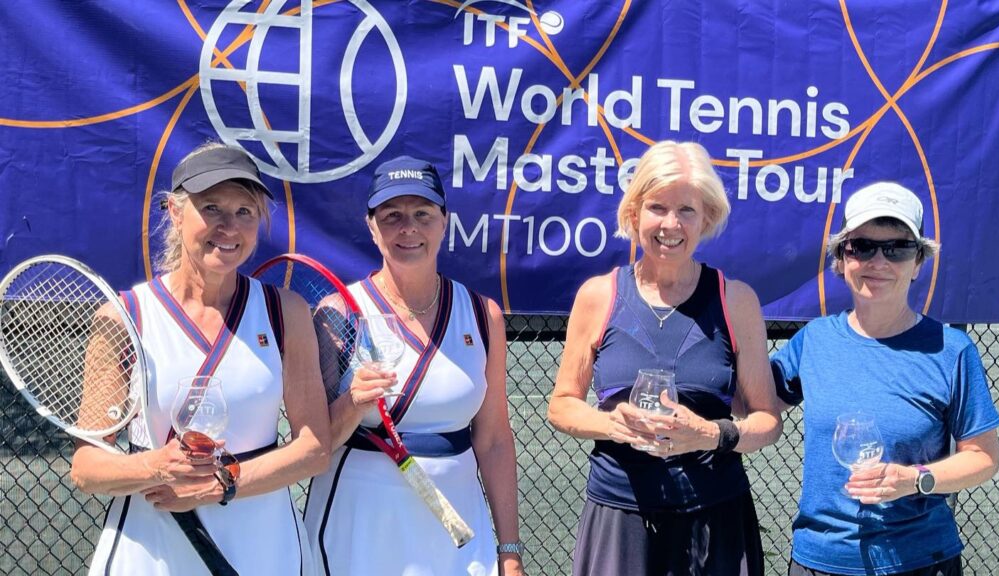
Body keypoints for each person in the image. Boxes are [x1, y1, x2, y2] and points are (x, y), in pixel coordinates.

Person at [70, 142, 331, 575]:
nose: (229, 227)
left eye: (244, 212)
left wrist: (220, 485)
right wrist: (155, 466)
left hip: (263, 548)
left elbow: (314, 449)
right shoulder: (123, 316)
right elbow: (86, 467)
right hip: (151, 550)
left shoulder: (286, 312)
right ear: (174, 211)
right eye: (211, 208)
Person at [548, 141, 782, 576]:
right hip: (620, 516)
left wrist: (711, 434)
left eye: (687, 211)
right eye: (657, 207)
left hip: (716, 518)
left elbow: (767, 422)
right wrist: (613, 423)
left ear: (707, 218)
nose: (670, 224)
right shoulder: (599, 295)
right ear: (634, 213)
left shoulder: (736, 300)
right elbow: (562, 405)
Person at [303, 156, 525, 576]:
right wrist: (352, 403)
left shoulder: (482, 315)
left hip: (455, 530)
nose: (409, 228)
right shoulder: (337, 314)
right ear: (372, 226)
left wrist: (509, 549)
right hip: (357, 529)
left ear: (444, 222)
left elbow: (494, 439)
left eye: (423, 214)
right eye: (392, 216)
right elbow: (315, 445)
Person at [772, 182, 999, 576]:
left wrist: (915, 480)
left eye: (897, 248)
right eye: (861, 247)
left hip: (917, 561)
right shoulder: (814, 340)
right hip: (819, 560)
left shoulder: (950, 350)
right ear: (841, 260)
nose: (878, 261)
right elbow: (752, 405)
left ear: (918, 263)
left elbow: (983, 458)